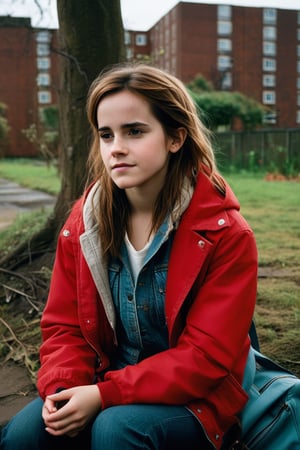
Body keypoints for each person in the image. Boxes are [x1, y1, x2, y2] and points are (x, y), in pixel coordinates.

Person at [0, 63, 258, 450]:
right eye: (106, 135)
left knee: (117, 430)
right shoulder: (84, 223)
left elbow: (205, 359)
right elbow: (63, 327)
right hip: (106, 379)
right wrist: (64, 390)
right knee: (25, 435)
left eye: (134, 131)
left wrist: (102, 396)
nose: (116, 147)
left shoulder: (226, 236)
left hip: (199, 396)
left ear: (175, 138)